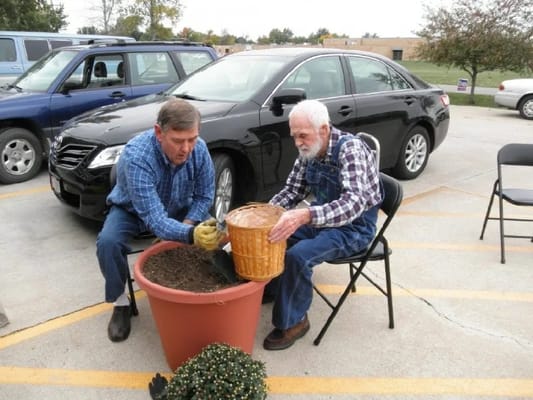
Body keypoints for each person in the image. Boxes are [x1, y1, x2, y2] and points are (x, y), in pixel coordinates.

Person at [96, 98, 221, 343]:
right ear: (159, 132)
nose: (186, 148)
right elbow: (154, 218)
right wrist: (189, 235)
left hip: (179, 209)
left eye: (192, 139)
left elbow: (205, 194)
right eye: (178, 141)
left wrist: (189, 223)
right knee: (108, 243)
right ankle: (121, 303)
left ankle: (211, 291)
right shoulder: (137, 156)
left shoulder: (200, 149)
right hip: (132, 211)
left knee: (220, 235)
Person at [263, 99, 382, 350]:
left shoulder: (351, 150)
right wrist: (266, 214)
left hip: (355, 228)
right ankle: (277, 289)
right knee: (275, 235)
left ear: (324, 129)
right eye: (294, 136)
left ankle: (295, 321)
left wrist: (305, 216)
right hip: (324, 219)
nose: (298, 142)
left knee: (298, 256)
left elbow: (353, 203)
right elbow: (292, 191)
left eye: (302, 135)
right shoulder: (309, 149)